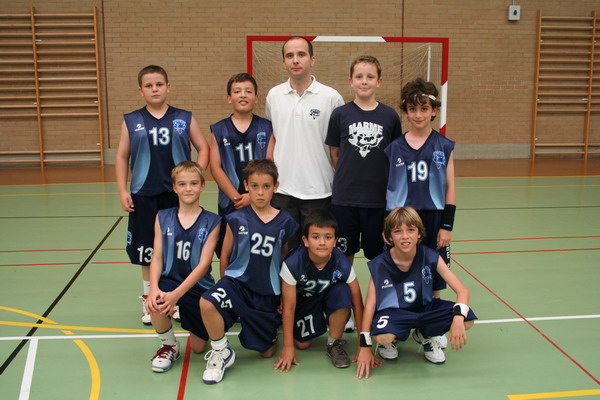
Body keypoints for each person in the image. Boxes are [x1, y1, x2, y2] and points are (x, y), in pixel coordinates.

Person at [115, 65, 210, 325]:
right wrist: (123, 189)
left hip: (177, 195)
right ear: (141, 90)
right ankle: (150, 300)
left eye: (159, 84)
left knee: (176, 249)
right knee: (148, 250)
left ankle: (175, 299)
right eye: (149, 85)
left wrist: (196, 175)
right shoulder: (131, 120)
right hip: (144, 195)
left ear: (168, 87)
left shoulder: (184, 117)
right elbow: (122, 156)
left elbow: (203, 147)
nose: (154, 89)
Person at [199, 159, 299, 384]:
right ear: (246, 185)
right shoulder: (235, 218)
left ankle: (256, 324)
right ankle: (221, 351)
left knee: (266, 352)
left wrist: (283, 294)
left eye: (266, 186)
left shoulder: (286, 222)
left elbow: (284, 259)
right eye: (254, 186)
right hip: (237, 284)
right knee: (207, 302)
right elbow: (224, 255)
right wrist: (223, 285)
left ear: (276, 186)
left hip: (266, 291)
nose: (260, 192)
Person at [356, 207, 476, 379]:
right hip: (395, 312)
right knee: (383, 337)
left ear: (419, 233)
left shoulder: (431, 256)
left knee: (467, 320)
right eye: (398, 231)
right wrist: (365, 347)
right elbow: (370, 305)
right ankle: (390, 342)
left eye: (411, 230)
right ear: (388, 237)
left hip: (426, 308)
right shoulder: (380, 263)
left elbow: (462, 290)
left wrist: (457, 318)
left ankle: (426, 334)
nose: (405, 236)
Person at [384, 78, 456, 347]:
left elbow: (450, 186)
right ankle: (395, 324)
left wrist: (447, 226)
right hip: (402, 221)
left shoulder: (444, 146)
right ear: (405, 111)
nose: (418, 115)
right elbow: (388, 189)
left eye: (424, 109)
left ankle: (432, 327)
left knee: (434, 274)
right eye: (413, 109)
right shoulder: (394, 148)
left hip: (433, 218)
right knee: (397, 271)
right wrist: (387, 224)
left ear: (434, 110)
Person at [265, 36, 344, 249]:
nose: (295, 60)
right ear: (284, 62)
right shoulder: (274, 95)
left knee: (319, 251)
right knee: (284, 250)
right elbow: (274, 135)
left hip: (320, 189)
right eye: (289, 56)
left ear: (312, 60)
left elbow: (339, 146)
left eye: (301, 54)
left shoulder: (331, 97)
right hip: (283, 190)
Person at [325, 55, 402, 264]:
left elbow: (395, 157)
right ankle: (344, 296)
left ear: (379, 81)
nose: (364, 81)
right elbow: (335, 153)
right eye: (359, 76)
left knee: (379, 256)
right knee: (342, 255)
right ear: (351, 81)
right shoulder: (340, 114)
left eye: (370, 76)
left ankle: (379, 296)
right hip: (344, 198)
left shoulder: (390, 116)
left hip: (378, 200)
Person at [146, 161, 220, 373]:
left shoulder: (212, 221)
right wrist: (153, 289)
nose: (188, 189)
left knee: (198, 348)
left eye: (194, 183)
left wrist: (177, 295)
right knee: (156, 300)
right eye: (183, 184)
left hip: (198, 286)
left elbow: (204, 264)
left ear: (203, 186)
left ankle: (186, 316)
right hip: (170, 280)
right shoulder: (163, 217)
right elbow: (157, 257)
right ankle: (169, 345)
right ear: (175, 187)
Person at [274, 210, 364, 371]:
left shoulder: (341, 262)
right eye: (316, 237)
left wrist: (364, 345)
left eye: (328, 237)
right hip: (305, 300)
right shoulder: (293, 263)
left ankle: (334, 343)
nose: (322, 242)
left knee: (343, 292)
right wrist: (288, 347)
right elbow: (289, 306)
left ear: (335, 241)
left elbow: (358, 303)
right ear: (305, 240)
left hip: (329, 295)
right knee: (302, 344)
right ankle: (314, 320)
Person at [209, 73, 272, 257]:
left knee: (259, 251)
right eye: (237, 91)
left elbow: (270, 165)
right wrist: (237, 197)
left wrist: (251, 197)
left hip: (261, 200)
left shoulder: (267, 127)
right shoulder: (219, 129)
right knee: (228, 251)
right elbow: (215, 167)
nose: (243, 95)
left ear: (256, 97)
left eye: (248, 91)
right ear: (229, 98)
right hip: (230, 202)